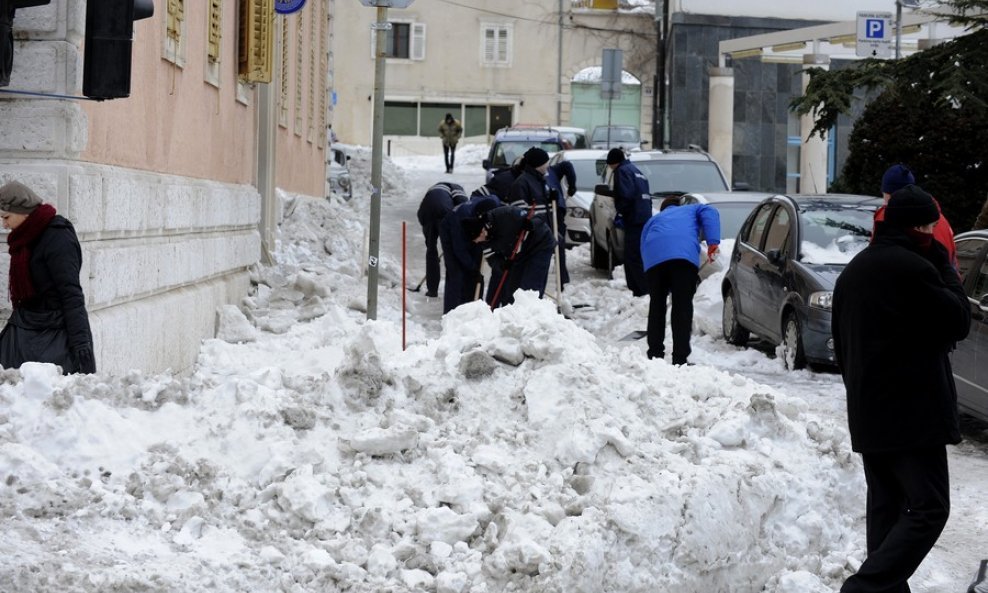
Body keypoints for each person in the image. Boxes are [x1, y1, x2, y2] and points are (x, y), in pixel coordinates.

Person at [832, 184, 970, 593]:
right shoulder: (916, 269)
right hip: (913, 417)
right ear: (915, 227)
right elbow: (958, 318)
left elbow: (842, 345)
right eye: (928, 226)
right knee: (929, 507)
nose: (932, 233)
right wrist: (944, 264)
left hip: (869, 414)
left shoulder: (854, 271)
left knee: (887, 513)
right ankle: (864, 588)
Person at [0, 181, 96, 374]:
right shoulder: (24, 240)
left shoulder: (58, 238)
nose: (4, 224)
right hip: (25, 328)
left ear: (23, 211)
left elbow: (71, 294)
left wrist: (81, 344)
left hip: (56, 335)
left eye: (6, 217)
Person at [640, 196, 720, 365]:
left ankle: (655, 355)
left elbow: (643, 244)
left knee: (657, 306)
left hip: (654, 261)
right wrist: (713, 242)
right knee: (682, 307)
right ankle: (680, 358)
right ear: (680, 205)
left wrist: (651, 275)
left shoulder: (654, 220)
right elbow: (710, 210)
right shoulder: (690, 209)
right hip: (683, 260)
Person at [462, 205, 555, 307]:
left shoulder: (506, 214)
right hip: (520, 254)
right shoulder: (484, 242)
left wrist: (531, 223)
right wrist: (502, 265)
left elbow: (539, 216)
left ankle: (530, 316)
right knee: (512, 290)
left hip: (539, 244)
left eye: (476, 239)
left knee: (530, 288)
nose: (477, 243)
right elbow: (492, 258)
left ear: (481, 232)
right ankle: (511, 317)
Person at [873, 163, 958, 271]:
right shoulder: (942, 220)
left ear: (888, 195)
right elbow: (953, 264)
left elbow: (880, 264)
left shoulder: (887, 220)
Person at [439, 193, 501, 313]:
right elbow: (459, 250)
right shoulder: (460, 220)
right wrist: (471, 267)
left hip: (475, 230)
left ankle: (474, 308)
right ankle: (452, 313)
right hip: (449, 230)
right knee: (456, 271)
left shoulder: (494, 204)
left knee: (477, 272)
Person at [604, 148, 652, 296]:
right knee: (638, 255)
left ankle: (641, 291)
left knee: (632, 257)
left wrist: (620, 211)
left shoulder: (621, 171)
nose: (611, 168)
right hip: (644, 218)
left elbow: (626, 195)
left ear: (613, 163)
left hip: (634, 219)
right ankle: (641, 289)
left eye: (610, 165)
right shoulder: (637, 171)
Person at [416, 182, 467, 298]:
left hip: (425, 214)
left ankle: (432, 290)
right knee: (450, 252)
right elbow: (464, 208)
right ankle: (454, 288)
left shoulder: (434, 189)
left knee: (431, 251)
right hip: (444, 212)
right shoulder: (457, 188)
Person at [545, 158, 577, 286]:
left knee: (551, 242)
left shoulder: (546, 172)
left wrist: (572, 185)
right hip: (557, 208)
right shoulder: (551, 170)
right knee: (558, 242)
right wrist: (572, 185)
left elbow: (567, 165)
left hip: (551, 209)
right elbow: (567, 165)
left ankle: (561, 278)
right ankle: (562, 277)